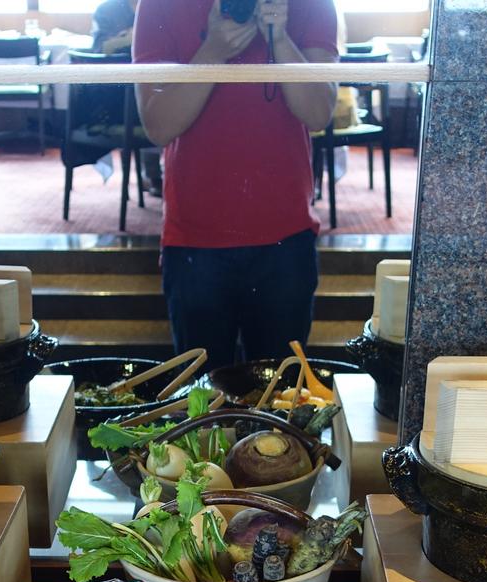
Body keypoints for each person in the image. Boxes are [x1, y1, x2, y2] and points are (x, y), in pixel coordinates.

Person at [135, 0, 338, 368]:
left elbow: (318, 113)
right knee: (201, 404)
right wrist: (213, 51)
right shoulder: (159, 5)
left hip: (285, 234)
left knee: (279, 400)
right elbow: (159, 125)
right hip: (195, 237)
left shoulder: (311, 4)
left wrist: (280, 40)